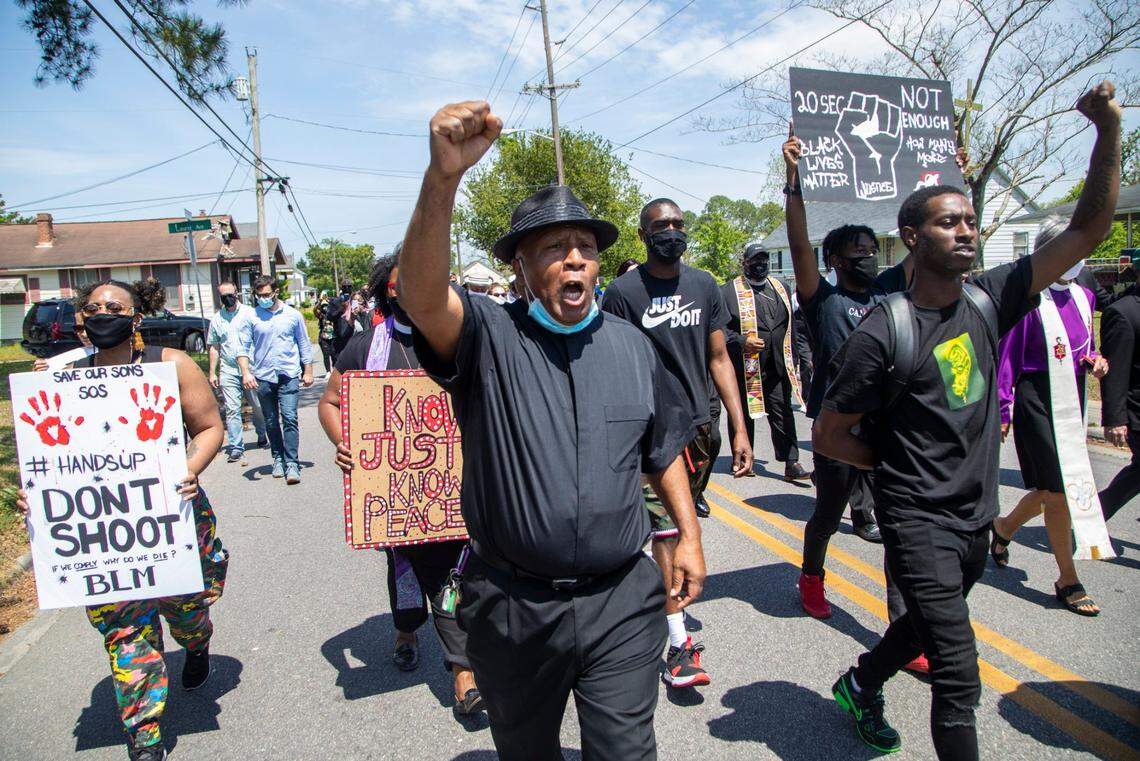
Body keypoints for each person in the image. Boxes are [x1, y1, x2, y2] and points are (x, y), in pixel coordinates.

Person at [813, 82, 1120, 759]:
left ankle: (860, 682)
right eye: (949, 222)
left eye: (971, 220)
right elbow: (831, 435)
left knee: (924, 629)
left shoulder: (990, 297)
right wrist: (897, 466)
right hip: (917, 520)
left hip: (976, 516)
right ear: (911, 238)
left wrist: (1106, 134)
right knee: (959, 675)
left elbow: (1087, 230)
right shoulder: (881, 332)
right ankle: (873, 691)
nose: (966, 230)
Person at [399, 100, 704, 761]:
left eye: (586, 249)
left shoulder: (632, 347)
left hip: (621, 599)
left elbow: (663, 450)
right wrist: (441, 177)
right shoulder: (488, 337)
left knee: (625, 752)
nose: (574, 260)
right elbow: (422, 299)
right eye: (554, 249)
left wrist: (687, 533)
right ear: (519, 268)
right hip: (512, 607)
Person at [17, 277, 228, 761]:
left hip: (169, 515)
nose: (102, 313)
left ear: (135, 318)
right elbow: (48, 460)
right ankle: (145, 734)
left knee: (187, 611)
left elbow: (210, 427)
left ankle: (195, 644)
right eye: (93, 307)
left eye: (114, 306)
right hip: (106, 532)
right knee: (127, 631)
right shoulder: (60, 377)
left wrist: (189, 470)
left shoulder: (168, 364)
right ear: (80, 319)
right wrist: (41, 498)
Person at [317, 248, 483, 714]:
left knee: (453, 572)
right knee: (406, 567)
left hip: (455, 490)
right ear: (385, 294)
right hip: (394, 495)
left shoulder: (460, 340)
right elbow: (330, 402)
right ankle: (408, 628)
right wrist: (343, 442)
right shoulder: (364, 348)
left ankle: (463, 671)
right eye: (400, 286)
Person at [601, 197, 752, 689]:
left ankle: (644, 593)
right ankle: (678, 643)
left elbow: (719, 358)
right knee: (671, 530)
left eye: (677, 224)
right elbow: (611, 360)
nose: (671, 231)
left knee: (667, 529)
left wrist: (739, 424)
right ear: (643, 235)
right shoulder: (623, 292)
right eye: (660, 225)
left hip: (698, 430)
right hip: (649, 434)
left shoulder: (705, 285)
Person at [783, 129, 885, 626]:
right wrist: (793, 178)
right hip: (836, 428)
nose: (869, 255)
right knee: (828, 512)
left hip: (887, 426)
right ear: (836, 261)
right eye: (858, 251)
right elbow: (799, 243)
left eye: (873, 248)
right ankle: (811, 576)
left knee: (901, 522)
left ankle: (906, 616)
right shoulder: (822, 299)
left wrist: (955, 175)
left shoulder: (892, 297)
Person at [991, 219, 1110, 616]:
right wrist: (1004, 407)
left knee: (1050, 489)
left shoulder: (1083, 296)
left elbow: (1081, 345)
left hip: (1071, 395)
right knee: (1059, 490)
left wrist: (1093, 361)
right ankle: (1067, 577)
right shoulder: (1028, 299)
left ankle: (1004, 527)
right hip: (1035, 399)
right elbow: (1008, 357)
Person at [721, 242, 811, 481]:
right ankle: (743, 459)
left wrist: (798, 357)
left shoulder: (780, 287)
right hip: (747, 366)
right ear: (745, 263)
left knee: (782, 412)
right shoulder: (729, 292)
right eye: (755, 260)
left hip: (778, 365)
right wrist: (742, 342)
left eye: (764, 259)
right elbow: (720, 331)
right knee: (744, 414)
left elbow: (792, 326)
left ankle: (791, 462)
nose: (760, 264)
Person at [237, 275, 314, 485]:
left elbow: (304, 344)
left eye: (267, 294)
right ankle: (277, 458)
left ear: (276, 292)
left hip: (288, 374)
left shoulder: (293, 315)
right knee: (271, 421)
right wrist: (246, 372)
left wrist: (308, 370)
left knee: (289, 418)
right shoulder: (252, 317)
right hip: (264, 377)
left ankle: (292, 463)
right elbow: (242, 348)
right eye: (259, 295)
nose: (263, 298)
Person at [207, 281, 268, 463]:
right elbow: (214, 347)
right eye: (223, 296)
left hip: (251, 368)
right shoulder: (217, 319)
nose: (228, 298)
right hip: (228, 369)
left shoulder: (251, 313)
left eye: (230, 294)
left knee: (257, 406)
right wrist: (212, 372)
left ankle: (262, 432)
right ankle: (236, 446)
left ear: (237, 293)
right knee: (232, 409)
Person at [1099, 261, 1140, 521]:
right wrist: (1115, 419)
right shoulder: (1123, 312)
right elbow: (1116, 369)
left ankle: (1093, 516)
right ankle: (1094, 515)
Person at [316, 292, 337, 373]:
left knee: (334, 354)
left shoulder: (332, 314)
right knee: (326, 354)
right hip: (323, 337)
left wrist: (329, 302)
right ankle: (328, 371)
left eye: (326, 306)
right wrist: (319, 302)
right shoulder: (321, 315)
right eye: (323, 306)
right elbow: (315, 310)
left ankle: (335, 369)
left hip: (333, 336)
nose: (324, 308)